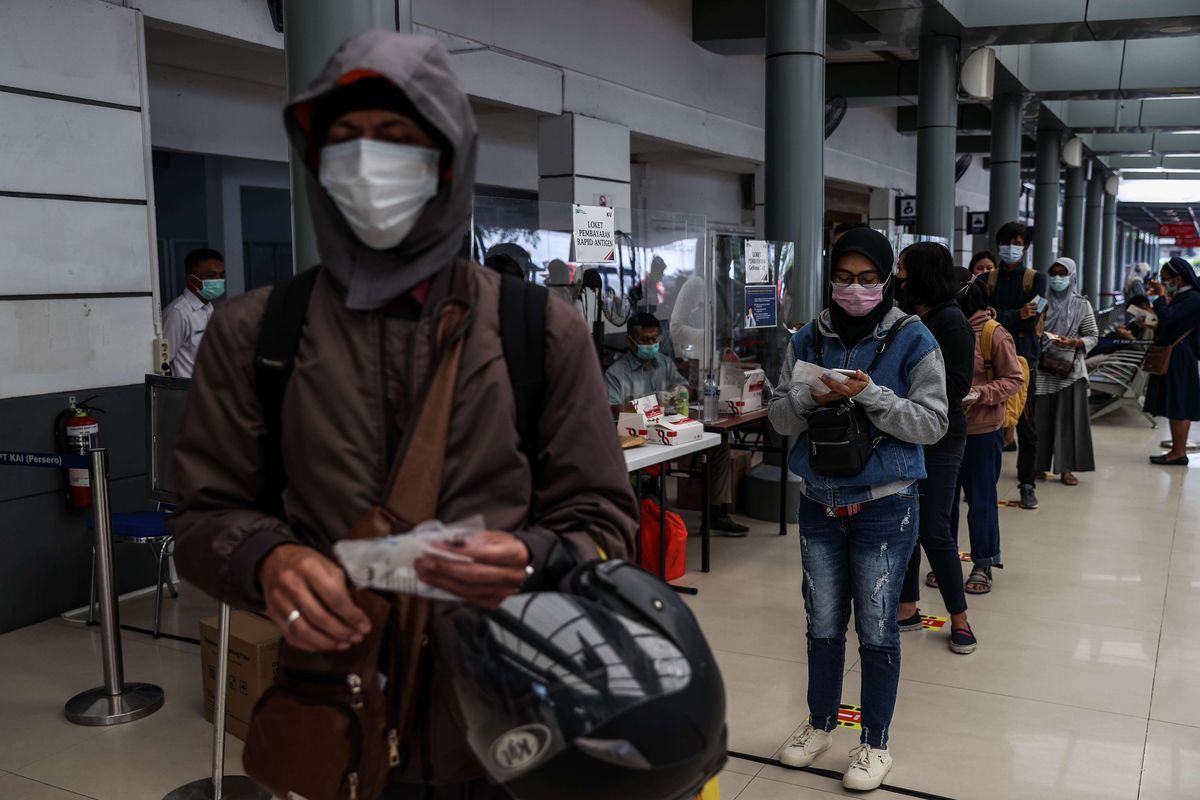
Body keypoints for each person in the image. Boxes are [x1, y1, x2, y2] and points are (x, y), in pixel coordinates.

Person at [168, 32, 638, 800]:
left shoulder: (538, 330)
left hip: (510, 711)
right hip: (338, 707)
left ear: (448, 160)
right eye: (342, 140)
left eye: (396, 139)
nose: (366, 164)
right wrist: (268, 560)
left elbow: (605, 517)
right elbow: (203, 514)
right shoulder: (259, 333)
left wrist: (536, 559)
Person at [768, 228, 948, 790]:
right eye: (844, 279)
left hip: (884, 507)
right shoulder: (806, 339)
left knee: (876, 628)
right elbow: (777, 417)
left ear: (888, 279)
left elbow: (933, 423)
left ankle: (874, 743)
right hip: (819, 502)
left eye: (868, 279)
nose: (855, 290)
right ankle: (819, 723)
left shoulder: (914, 339)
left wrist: (869, 394)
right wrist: (807, 397)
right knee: (821, 623)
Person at [893, 243, 979, 655]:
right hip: (905, 432)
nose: (898, 278)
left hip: (942, 439)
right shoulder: (910, 317)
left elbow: (958, 385)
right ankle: (907, 607)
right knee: (905, 522)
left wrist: (902, 393)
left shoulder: (952, 322)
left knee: (933, 529)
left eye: (903, 271)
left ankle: (960, 619)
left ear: (922, 275)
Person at [606, 313, 749, 535]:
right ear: (629, 340)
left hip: (670, 431)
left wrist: (681, 391)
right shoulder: (616, 373)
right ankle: (648, 508)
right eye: (645, 340)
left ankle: (715, 514)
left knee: (718, 445)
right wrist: (649, 403)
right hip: (640, 437)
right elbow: (612, 410)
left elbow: (685, 388)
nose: (651, 344)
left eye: (655, 339)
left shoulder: (663, 362)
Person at [952, 270, 1025, 596]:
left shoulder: (994, 334)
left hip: (983, 431)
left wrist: (981, 393)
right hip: (944, 429)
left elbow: (1013, 379)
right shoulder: (942, 328)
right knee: (945, 501)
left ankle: (983, 562)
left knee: (980, 500)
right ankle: (947, 562)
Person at [987, 222, 1047, 509]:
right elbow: (984, 316)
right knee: (989, 421)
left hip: (1025, 359)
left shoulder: (1038, 280)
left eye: (1018, 242)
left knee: (1026, 424)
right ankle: (985, 480)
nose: (1012, 246)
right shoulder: (988, 279)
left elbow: (1033, 319)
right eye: (1006, 241)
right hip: (992, 357)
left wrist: (1001, 315)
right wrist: (1015, 314)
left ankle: (1027, 483)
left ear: (1026, 247)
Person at [1035, 257, 1097, 486]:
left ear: (1072, 276)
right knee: (1040, 421)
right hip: (1043, 369)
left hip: (1071, 372)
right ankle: (1038, 466)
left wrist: (1073, 342)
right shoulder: (1040, 302)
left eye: (1063, 273)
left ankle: (1066, 469)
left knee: (1070, 422)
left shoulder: (1082, 305)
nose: (1058, 278)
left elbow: (1093, 336)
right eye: (1054, 273)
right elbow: (1030, 328)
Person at [1145, 257, 1200, 465]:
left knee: (1179, 402)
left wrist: (1160, 296)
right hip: (1175, 353)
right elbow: (1172, 322)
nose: (1163, 282)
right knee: (1175, 401)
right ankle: (1177, 451)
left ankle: (1178, 452)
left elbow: (1169, 318)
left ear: (1178, 278)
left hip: (1180, 356)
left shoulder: (1193, 298)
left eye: (1165, 279)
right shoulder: (1182, 296)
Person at [161, 248, 225, 378]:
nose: (218, 281)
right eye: (211, 276)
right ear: (192, 280)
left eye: (221, 275)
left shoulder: (209, 308)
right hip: (188, 395)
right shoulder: (178, 313)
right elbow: (163, 365)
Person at [1086, 295, 1156, 371]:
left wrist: (1127, 335)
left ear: (1143, 308)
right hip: (1122, 354)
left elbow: (1142, 349)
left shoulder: (1149, 325)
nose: (1133, 316)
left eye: (1134, 313)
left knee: (1087, 364)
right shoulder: (1144, 321)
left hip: (1125, 359)